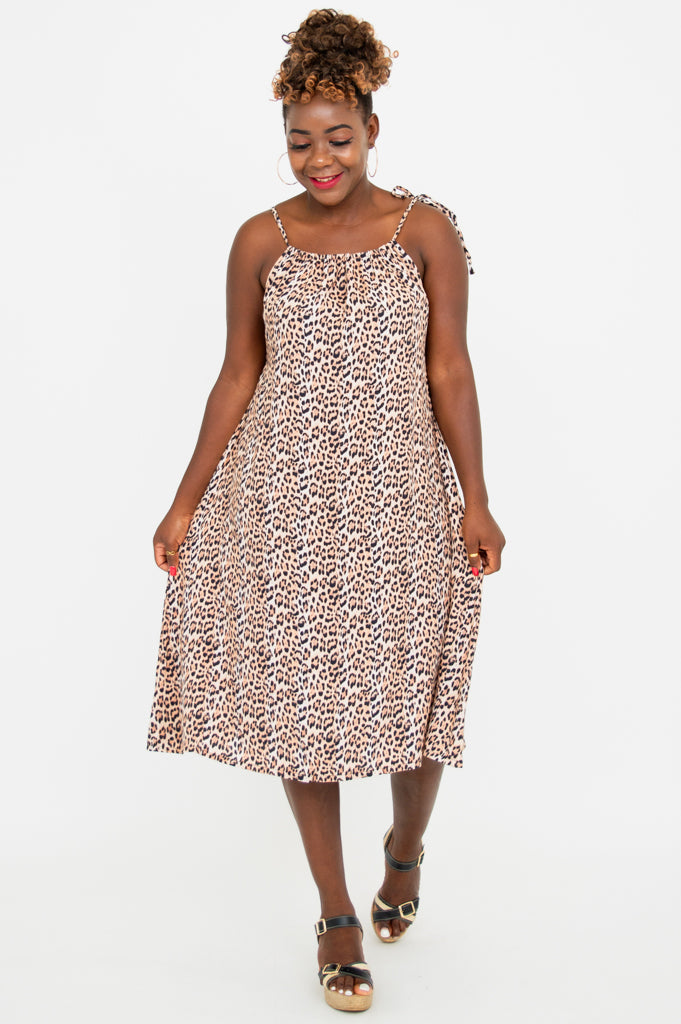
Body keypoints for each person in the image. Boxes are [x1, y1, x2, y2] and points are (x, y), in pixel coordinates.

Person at [147, 7, 505, 1014]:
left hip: (402, 506)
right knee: (306, 711)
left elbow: (450, 369)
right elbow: (237, 374)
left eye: (338, 138)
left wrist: (477, 500)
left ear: (372, 130)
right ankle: (336, 913)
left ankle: (405, 845)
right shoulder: (259, 242)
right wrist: (184, 502)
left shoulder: (425, 231)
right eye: (300, 142)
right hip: (283, 507)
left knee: (413, 707)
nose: (320, 160)